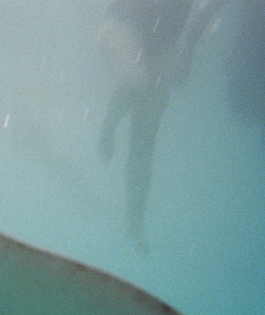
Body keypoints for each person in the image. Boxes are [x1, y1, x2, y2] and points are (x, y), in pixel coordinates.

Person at [97, 0, 226, 245]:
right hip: (120, 27)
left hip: (164, 45)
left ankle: (135, 220)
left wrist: (188, 48)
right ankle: (111, 116)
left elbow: (209, 9)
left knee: (144, 143)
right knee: (134, 84)